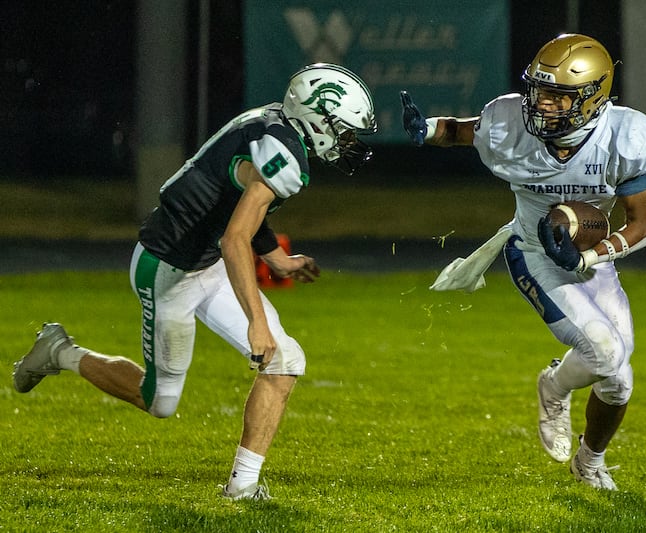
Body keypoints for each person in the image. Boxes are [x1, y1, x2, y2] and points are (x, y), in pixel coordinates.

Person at [13, 63, 377, 500]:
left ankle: (242, 488)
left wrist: (277, 258)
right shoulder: (284, 155)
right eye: (344, 130)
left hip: (206, 262)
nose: (347, 141)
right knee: (160, 402)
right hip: (169, 268)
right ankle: (60, 351)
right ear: (319, 119)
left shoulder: (274, 124)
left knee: (285, 362)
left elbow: (239, 210)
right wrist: (255, 321)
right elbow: (234, 238)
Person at [400, 34, 646, 490]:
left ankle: (590, 461)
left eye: (559, 97)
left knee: (618, 381)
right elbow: (464, 131)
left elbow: (643, 222)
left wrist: (591, 256)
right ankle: (554, 387)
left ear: (595, 96)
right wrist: (426, 129)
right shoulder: (508, 122)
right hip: (532, 253)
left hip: (591, 259)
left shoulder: (624, 136)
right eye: (539, 93)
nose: (544, 105)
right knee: (604, 354)